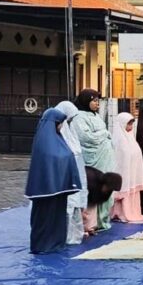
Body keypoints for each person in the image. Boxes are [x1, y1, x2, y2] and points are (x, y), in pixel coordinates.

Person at [25, 107, 84, 254]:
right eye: (60, 123)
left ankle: (56, 243)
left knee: (57, 218)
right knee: (44, 218)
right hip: (45, 190)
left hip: (59, 189)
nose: (61, 126)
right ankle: (43, 245)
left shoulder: (57, 139)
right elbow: (52, 160)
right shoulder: (45, 142)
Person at [70, 89, 116, 231]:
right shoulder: (79, 118)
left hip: (105, 160)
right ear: (86, 101)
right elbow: (87, 138)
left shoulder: (95, 116)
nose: (97, 104)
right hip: (93, 160)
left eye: (98, 101)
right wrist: (104, 133)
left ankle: (103, 220)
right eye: (94, 101)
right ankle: (91, 223)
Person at [54, 101, 89, 243]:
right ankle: (63, 235)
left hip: (74, 176)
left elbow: (76, 151)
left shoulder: (69, 131)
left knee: (75, 206)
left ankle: (74, 233)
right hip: (64, 179)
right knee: (67, 207)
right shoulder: (56, 135)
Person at [111, 112, 143, 222]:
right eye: (128, 124)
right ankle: (120, 212)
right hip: (123, 173)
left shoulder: (130, 137)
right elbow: (119, 159)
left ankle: (132, 211)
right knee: (124, 192)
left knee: (132, 192)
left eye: (132, 124)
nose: (130, 127)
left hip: (132, 172)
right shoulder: (118, 139)